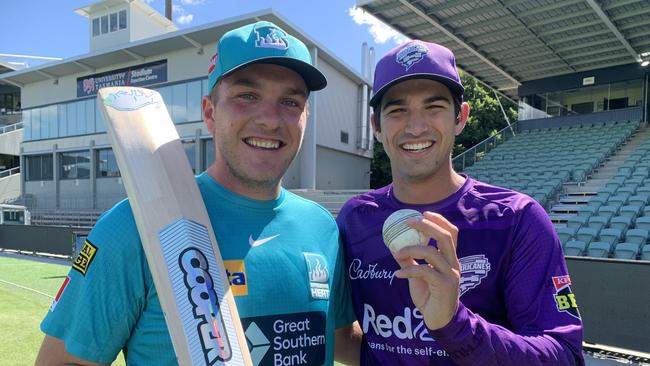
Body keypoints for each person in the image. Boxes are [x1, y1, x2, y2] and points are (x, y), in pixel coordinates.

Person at [36, 21, 357, 366]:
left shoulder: (322, 228)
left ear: (305, 117)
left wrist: (422, 332)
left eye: (290, 102)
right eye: (247, 96)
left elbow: (341, 340)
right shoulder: (133, 225)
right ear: (209, 113)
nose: (270, 119)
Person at [336, 40, 584, 365]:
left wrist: (454, 324)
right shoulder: (354, 219)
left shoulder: (517, 219)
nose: (415, 126)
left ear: (460, 117)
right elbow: (354, 344)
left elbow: (564, 356)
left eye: (434, 107)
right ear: (376, 127)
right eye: (397, 110)